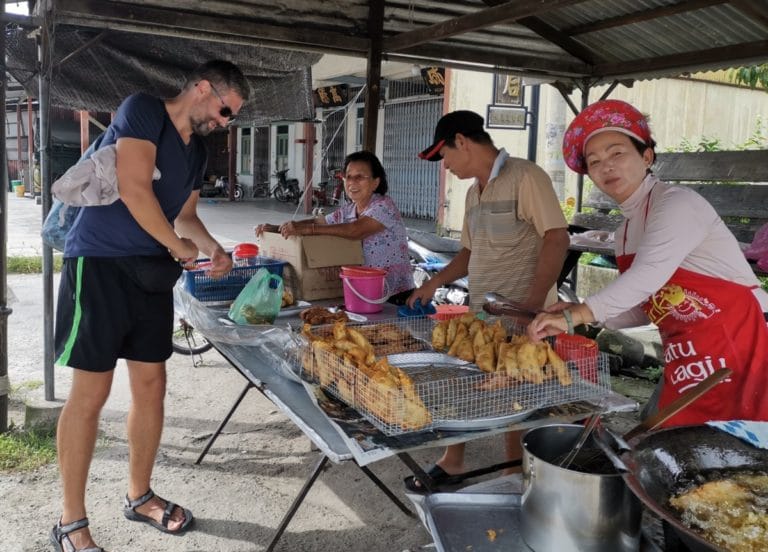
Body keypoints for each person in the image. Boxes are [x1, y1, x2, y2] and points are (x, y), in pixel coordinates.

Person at [50, 60, 249, 552]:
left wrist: (211, 248)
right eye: (225, 110)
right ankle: (71, 522)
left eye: (232, 118)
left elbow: (186, 215)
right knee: (90, 395)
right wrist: (178, 245)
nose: (225, 122)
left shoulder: (198, 151)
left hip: (149, 273)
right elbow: (136, 187)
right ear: (203, 88)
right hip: (97, 264)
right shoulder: (143, 111)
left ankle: (139, 496)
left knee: (152, 385)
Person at [528, 99, 768, 426]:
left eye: (617, 153)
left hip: (747, 347)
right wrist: (588, 315)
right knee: (683, 453)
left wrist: (581, 313)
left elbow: (646, 277)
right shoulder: (626, 231)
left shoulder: (677, 204)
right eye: (594, 161)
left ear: (646, 156)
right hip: (691, 358)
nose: (606, 167)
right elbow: (649, 303)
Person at [404, 110, 570, 492]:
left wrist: (531, 306)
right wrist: (433, 284)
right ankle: (454, 460)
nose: (444, 165)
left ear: (462, 141)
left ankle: (513, 474)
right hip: (482, 314)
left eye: (444, 155)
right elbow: (467, 252)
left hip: (525, 316)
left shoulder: (526, 177)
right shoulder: (473, 193)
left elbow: (556, 238)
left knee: (516, 393)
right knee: (463, 379)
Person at [255, 150, 415, 304]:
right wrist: (277, 228)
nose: (352, 182)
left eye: (360, 177)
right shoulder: (349, 209)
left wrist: (307, 230)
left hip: (396, 294)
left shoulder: (384, 205)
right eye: (348, 177)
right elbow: (319, 222)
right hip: (365, 290)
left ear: (375, 182)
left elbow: (355, 230)